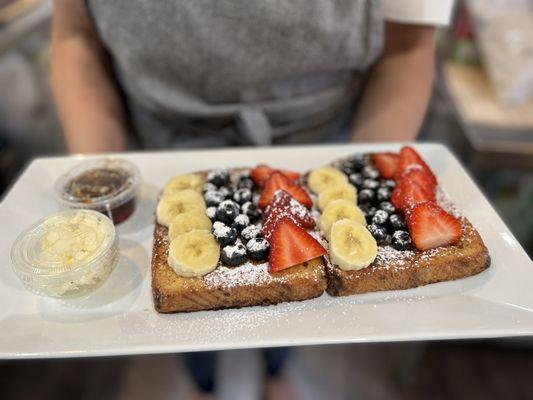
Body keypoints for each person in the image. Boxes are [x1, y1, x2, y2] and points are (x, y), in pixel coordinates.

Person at [50, 1, 454, 399]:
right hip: (163, 145)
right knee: (182, 310)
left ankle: (275, 371)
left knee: (300, 291)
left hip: (316, 147)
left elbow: (407, 47)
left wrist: (362, 190)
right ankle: (203, 383)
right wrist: (101, 190)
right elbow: (75, 35)